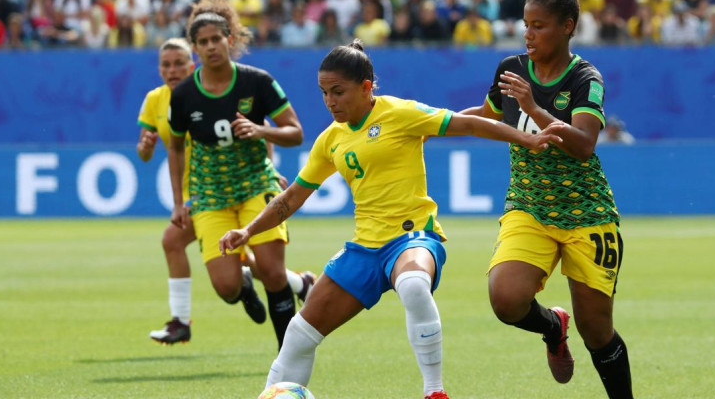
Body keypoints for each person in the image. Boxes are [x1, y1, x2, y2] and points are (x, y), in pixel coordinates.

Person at [219, 39, 564, 399]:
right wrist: (247, 230)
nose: (330, 101)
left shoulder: (400, 113)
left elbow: (469, 125)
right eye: (324, 93)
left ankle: (435, 392)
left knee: (413, 285)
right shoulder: (330, 140)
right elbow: (290, 199)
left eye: (338, 92)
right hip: (365, 249)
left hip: (413, 237)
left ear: (366, 87)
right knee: (299, 334)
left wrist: (525, 138)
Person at [461, 0, 633, 398]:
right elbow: (487, 118)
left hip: (587, 213)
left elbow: (584, 144)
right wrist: (428, 122)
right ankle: (552, 327)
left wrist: (535, 108)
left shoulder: (585, 78)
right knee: (506, 299)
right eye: (526, 25)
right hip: (529, 207)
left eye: (538, 26)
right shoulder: (512, 69)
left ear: (567, 27)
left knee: (596, 330)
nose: (528, 34)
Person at [137, 38, 316, 345]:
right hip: (204, 194)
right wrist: (144, 149)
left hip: (240, 185)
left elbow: (256, 129)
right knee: (227, 268)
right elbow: (165, 149)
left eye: (179, 62)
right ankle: (296, 283)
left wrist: (269, 171)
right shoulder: (157, 100)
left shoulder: (218, 89)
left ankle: (181, 320)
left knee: (188, 244)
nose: (172, 69)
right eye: (165, 64)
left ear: (192, 62)